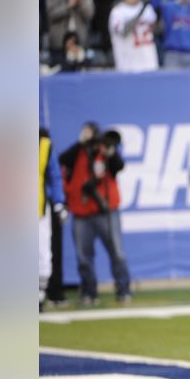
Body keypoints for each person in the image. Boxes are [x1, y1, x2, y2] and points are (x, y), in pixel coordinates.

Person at [60, 124, 131, 306]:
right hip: (81, 212)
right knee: (84, 257)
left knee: (117, 252)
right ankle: (89, 293)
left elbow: (119, 166)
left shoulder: (105, 153)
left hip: (105, 211)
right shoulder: (78, 153)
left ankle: (123, 290)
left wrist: (110, 151)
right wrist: (80, 143)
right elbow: (63, 160)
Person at [39, 128, 66, 312]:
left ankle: (39, 295)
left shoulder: (44, 145)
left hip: (38, 209)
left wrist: (58, 202)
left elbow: (55, 176)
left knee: (43, 255)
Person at [108, 0, 159, 72]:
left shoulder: (147, 9)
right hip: (128, 65)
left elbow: (155, 30)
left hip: (150, 63)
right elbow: (123, 31)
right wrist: (140, 13)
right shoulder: (118, 11)